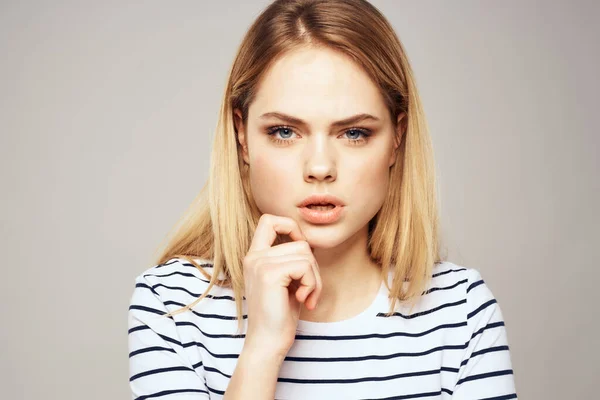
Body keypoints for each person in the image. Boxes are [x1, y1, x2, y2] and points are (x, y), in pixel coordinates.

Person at [127, 0, 518, 399]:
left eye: (353, 133)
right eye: (284, 131)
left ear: (397, 139)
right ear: (241, 136)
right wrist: (261, 350)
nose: (319, 167)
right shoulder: (173, 307)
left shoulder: (461, 311)